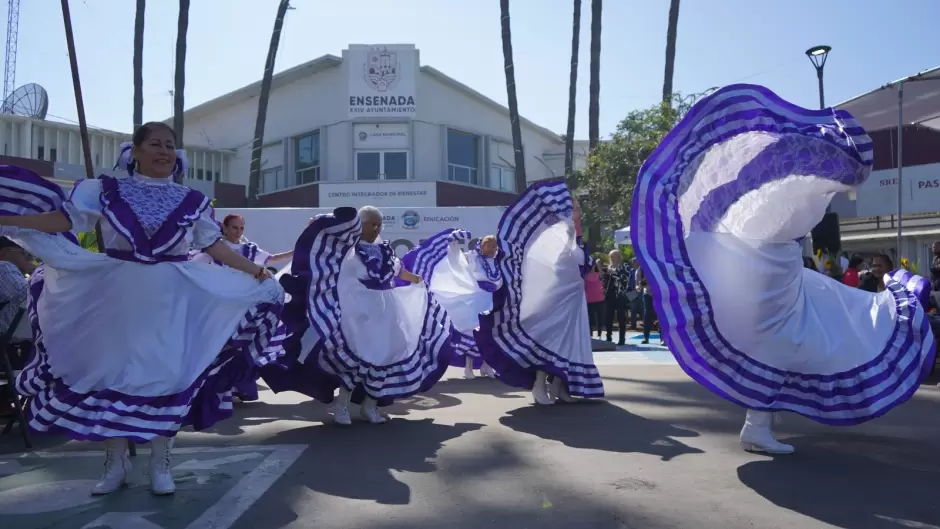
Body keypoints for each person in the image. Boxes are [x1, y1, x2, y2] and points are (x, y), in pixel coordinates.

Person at [631, 84, 935, 455]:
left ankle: (757, 424)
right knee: (787, 341)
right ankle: (756, 426)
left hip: (779, 277)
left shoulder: (770, 199)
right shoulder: (783, 198)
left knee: (798, 336)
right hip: (770, 280)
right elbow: (782, 220)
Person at [0, 122, 285, 496]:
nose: (164, 151)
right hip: (116, 294)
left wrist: (255, 271)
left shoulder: (191, 199)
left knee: (166, 374)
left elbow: (215, 247)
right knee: (112, 374)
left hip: (171, 298)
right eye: (155, 144)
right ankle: (115, 463)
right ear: (135, 151)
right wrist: (12, 220)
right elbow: (66, 220)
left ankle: (160, 463)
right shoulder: (106, 189)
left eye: (170, 145)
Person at [262, 206, 454, 425]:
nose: (376, 228)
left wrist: (417, 280)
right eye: (372, 223)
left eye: (379, 224)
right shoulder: (348, 250)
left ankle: (370, 407)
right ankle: (341, 405)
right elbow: (329, 266)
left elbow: (398, 271)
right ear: (359, 225)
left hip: (386, 312)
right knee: (356, 360)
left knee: (385, 359)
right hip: (358, 313)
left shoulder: (385, 250)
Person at [476, 180, 603, 405]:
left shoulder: (577, 240)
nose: (578, 211)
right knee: (549, 340)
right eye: (574, 207)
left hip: (574, 302)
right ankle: (538, 385)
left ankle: (559, 388)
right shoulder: (556, 238)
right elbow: (551, 267)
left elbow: (584, 265)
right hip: (557, 300)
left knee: (570, 343)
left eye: (577, 208)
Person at [191, 212, 294, 402]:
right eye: (234, 227)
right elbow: (194, 268)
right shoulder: (214, 249)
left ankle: (237, 386)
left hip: (245, 304)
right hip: (221, 305)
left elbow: (271, 259)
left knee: (243, 344)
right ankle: (216, 387)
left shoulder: (250, 250)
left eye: (241, 228)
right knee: (221, 344)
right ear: (225, 227)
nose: (238, 232)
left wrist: (297, 252)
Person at [397, 231, 501, 379]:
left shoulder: (498, 261)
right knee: (472, 331)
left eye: (494, 246)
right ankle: (468, 368)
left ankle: (487, 366)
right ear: (482, 246)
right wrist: (452, 242)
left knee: (491, 334)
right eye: (489, 246)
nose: (492, 249)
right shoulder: (472, 257)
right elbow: (455, 261)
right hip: (474, 299)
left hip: (491, 300)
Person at [602, 250, 630, 345]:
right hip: (610, 295)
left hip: (620, 295)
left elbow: (625, 279)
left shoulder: (624, 266)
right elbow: (604, 281)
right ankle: (608, 336)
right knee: (608, 317)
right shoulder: (609, 267)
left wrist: (614, 272)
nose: (611, 259)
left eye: (613, 257)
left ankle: (622, 338)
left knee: (621, 317)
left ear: (618, 257)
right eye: (610, 257)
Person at [584, 260, 606, 337]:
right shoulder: (585, 275)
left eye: (593, 265)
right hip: (589, 299)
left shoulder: (599, 274)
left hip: (600, 298)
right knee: (590, 317)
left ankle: (600, 334)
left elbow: (603, 277)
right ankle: (590, 335)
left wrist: (598, 265)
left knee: (600, 317)